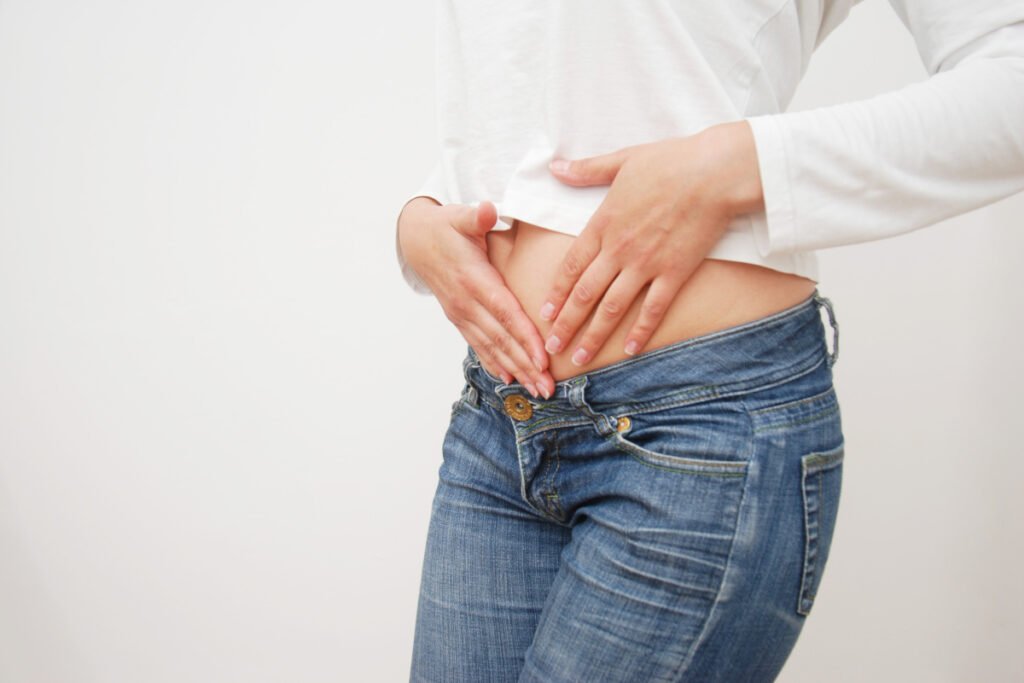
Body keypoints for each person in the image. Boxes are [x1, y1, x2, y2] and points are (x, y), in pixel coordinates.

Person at [395, 1, 1024, 681]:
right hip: (497, 424)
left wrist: (741, 163)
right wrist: (423, 217)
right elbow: (543, 85)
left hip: (699, 432)